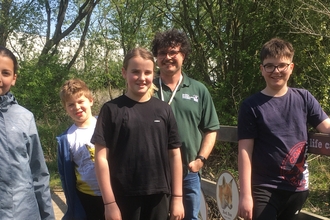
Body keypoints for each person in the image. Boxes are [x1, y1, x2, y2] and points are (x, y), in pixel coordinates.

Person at [237, 38, 330, 220]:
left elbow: (325, 125)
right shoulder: (251, 106)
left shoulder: (304, 98)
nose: (276, 71)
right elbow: (244, 152)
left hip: (297, 188)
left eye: (282, 65)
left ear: (291, 67)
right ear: (262, 69)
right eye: (270, 66)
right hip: (264, 187)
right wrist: (245, 195)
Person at [91, 47, 184, 220]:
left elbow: (174, 155)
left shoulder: (164, 109)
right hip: (122, 197)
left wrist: (178, 198)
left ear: (153, 74)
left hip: (159, 196)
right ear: (124, 73)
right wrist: (109, 203)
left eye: (147, 72)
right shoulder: (111, 110)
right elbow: (101, 158)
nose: (142, 78)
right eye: (135, 72)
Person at [151, 29, 220, 220]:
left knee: (191, 217)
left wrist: (200, 160)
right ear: (156, 57)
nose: (168, 57)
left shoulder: (199, 90)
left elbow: (211, 129)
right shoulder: (147, 88)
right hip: (154, 174)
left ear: (184, 55)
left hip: (188, 172)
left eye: (173, 52)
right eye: (162, 53)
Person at [0, 45, 55, 219]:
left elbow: (38, 173)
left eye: (5, 73)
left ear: (14, 78)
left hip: (23, 212)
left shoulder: (25, 117)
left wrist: (47, 216)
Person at [57, 78, 104, 220]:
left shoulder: (105, 126)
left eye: (80, 102)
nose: (77, 107)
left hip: (112, 194)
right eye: (71, 104)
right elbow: (66, 175)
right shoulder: (66, 139)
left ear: (91, 100)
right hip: (86, 198)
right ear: (65, 108)